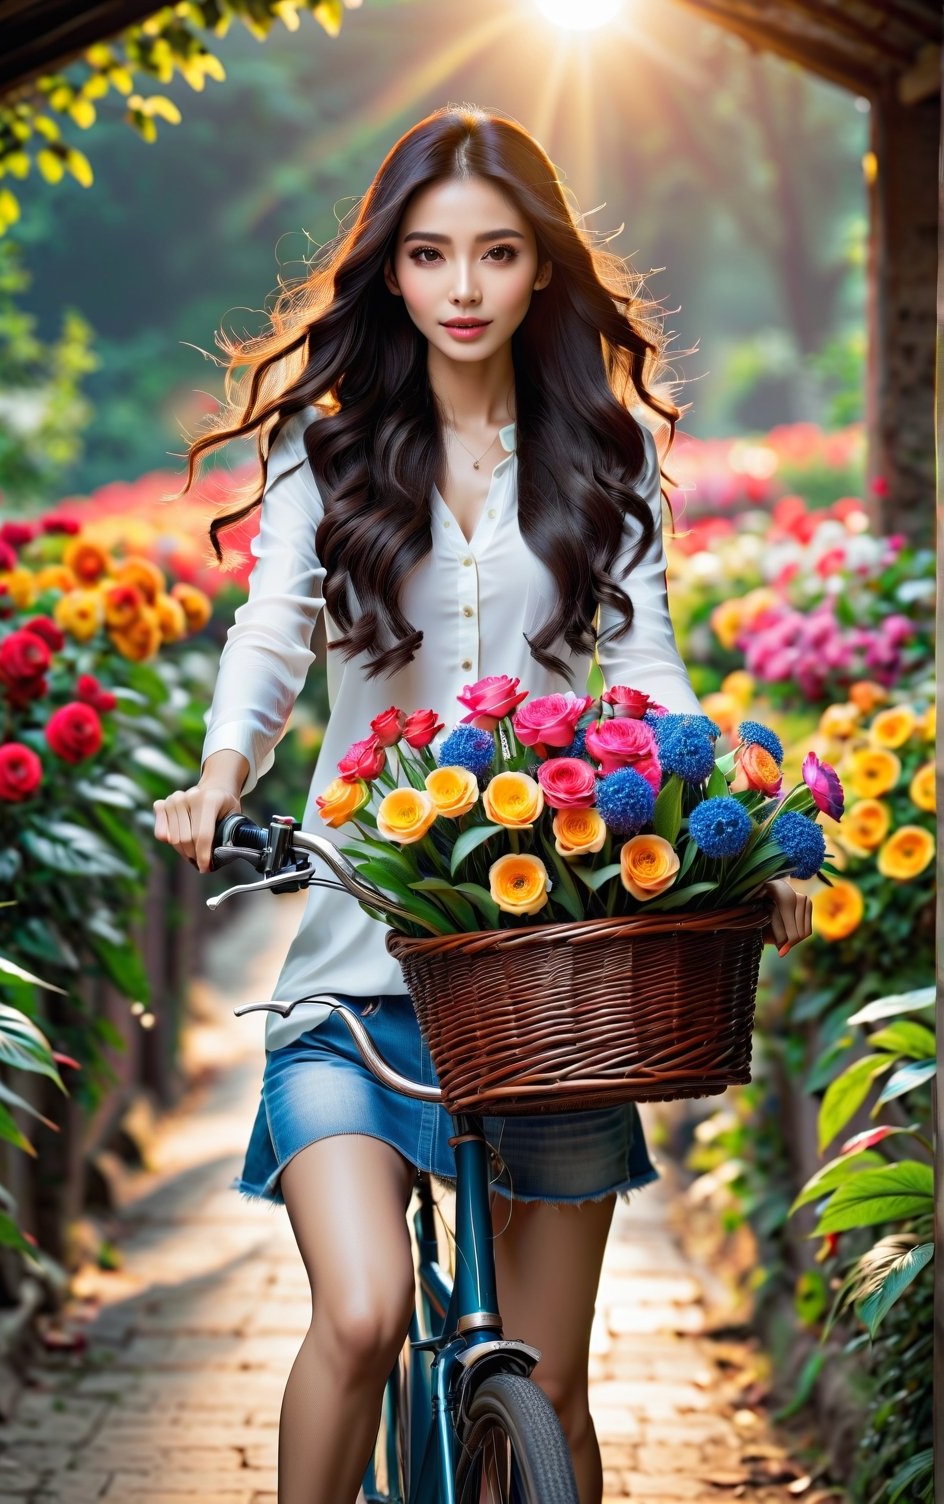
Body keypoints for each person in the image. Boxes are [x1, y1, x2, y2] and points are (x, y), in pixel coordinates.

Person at [153, 104, 812, 1504]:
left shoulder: (604, 457)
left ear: (540, 271)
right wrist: (222, 772)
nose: (464, 288)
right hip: (353, 962)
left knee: (552, 1384)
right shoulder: (325, 459)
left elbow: (647, 673)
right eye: (432, 254)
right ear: (390, 270)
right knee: (363, 1312)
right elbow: (272, 636)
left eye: (498, 254)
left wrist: (739, 840)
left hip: (543, 971)